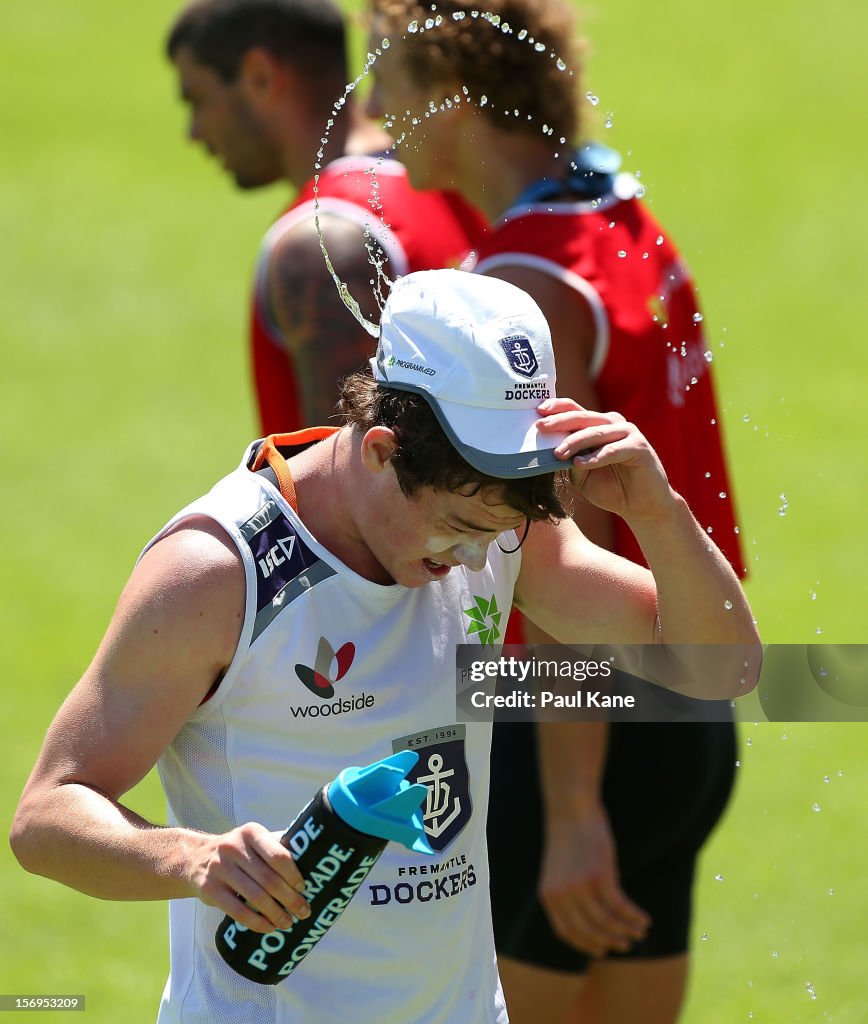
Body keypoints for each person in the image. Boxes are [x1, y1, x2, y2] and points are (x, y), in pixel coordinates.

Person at [11, 269, 759, 1024]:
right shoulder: (215, 575)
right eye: (460, 529)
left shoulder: (502, 525)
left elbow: (719, 670)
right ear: (378, 450)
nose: (475, 561)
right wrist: (192, 859)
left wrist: (660, 514)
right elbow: (47, 816)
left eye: (496, 535)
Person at [365, 3, 748, 1022]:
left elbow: (554, 550)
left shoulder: (520, 292)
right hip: (686, 714)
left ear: (449, 93)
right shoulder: (617, 220)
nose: (371, 112)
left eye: (390, 82)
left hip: (581, 736)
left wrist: (573, 812)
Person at [166, 0, 487, 434]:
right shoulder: (456, 179)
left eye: (199, 99)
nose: (194, 132)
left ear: (260, 76)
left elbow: (352, 482)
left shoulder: (324, 245)